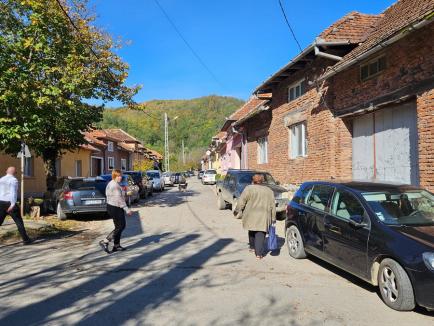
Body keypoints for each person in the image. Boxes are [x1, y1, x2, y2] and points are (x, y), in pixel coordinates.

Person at [234, 174, 276, 259]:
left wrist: (237, 210)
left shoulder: (249, 188)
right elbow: (273, 205)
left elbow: (242, 200)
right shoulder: (269, 191)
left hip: (250, 215)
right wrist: (273, 217)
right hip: (263, 216)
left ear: (253, 181)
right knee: (260, 233)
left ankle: (252, 247)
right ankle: (258, 254)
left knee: (252, 229)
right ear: (262, 181)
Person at [100, 169, 132, 253]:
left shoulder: (112, 184)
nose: (120, 177)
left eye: (121, 175)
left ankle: (116, 245)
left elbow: (115, 195)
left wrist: (125, 192)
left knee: (118, 226)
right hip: (115, 207)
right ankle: (105, 241)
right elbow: (119, 199)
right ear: (114, 176)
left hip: (111, 206)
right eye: (118, 176)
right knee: (121, 226)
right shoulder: (115, 186)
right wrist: (127, 210)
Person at [0, 167, 32, 245]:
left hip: (1, 202)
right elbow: (13, 192)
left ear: (6, 171)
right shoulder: (14, 180)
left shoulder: (1, 179)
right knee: (19, 222)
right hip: (10, 203)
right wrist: (13, 204)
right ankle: (26, 239)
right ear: (14, 173)